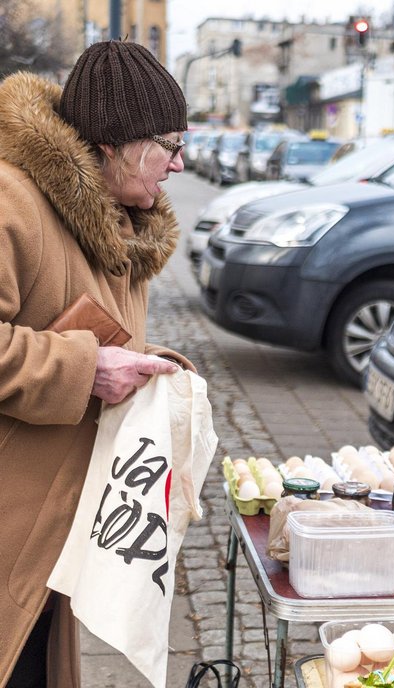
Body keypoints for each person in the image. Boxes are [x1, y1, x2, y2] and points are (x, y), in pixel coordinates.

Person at [0, 41, 192, 688]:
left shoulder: (121, 220)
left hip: (58, 527)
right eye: (170, 143)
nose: (181, 163)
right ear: (115, 144)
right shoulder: (13, 202)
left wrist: (150, 369)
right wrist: (86, 371)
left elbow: (106, 342)